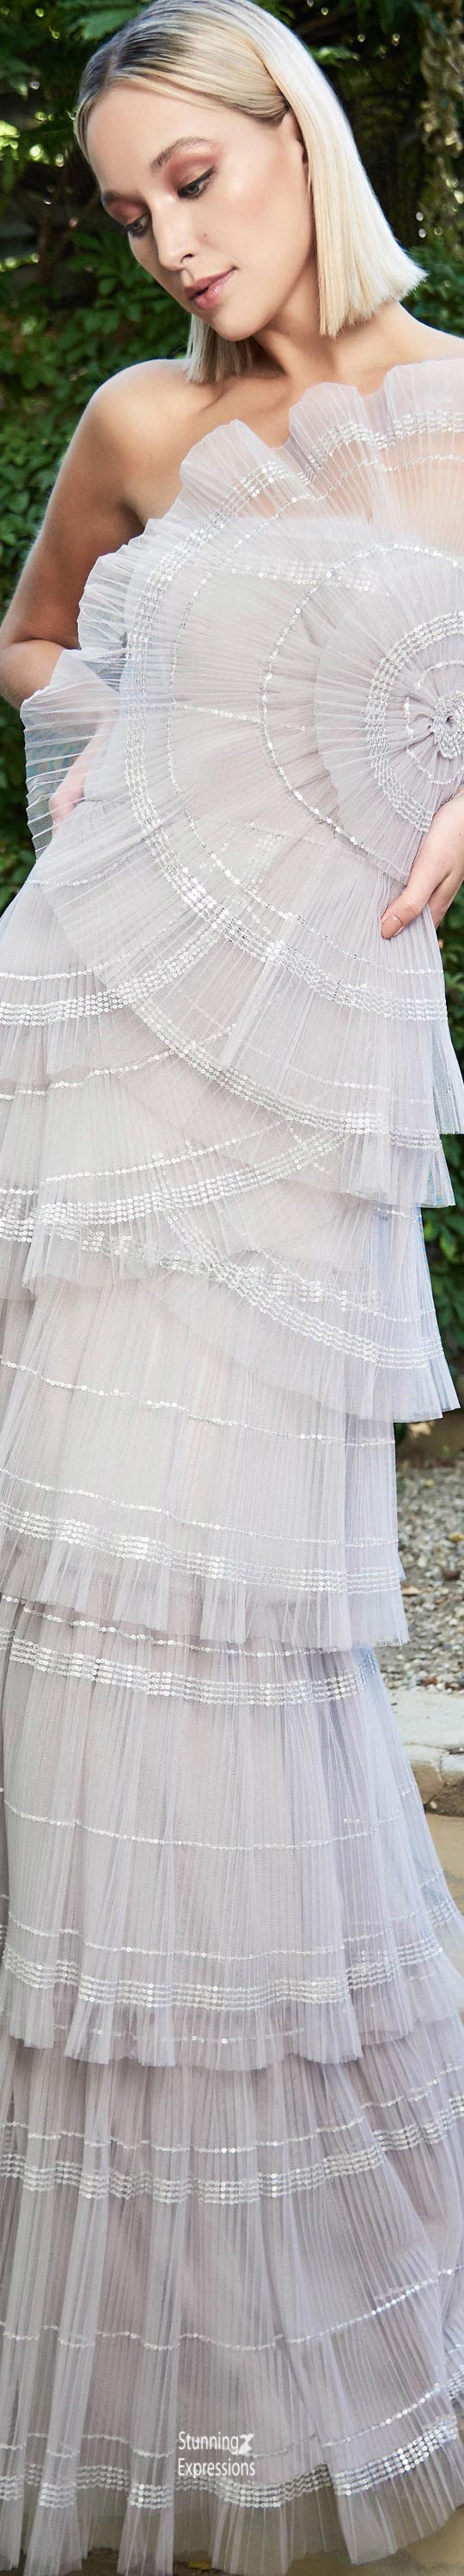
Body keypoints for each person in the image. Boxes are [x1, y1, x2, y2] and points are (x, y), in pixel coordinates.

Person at [1, 1, 464, 2567]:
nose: (172, 241)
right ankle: (106, 2318)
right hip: (93, 1078)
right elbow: (33, 644)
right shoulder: (137, 427)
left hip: (300, 1119)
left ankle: (274, 2295)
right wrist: (108, 770)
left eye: (199, 176)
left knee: (252, 1653)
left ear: (302, 132)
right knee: (79, 1635)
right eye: (128, 211)